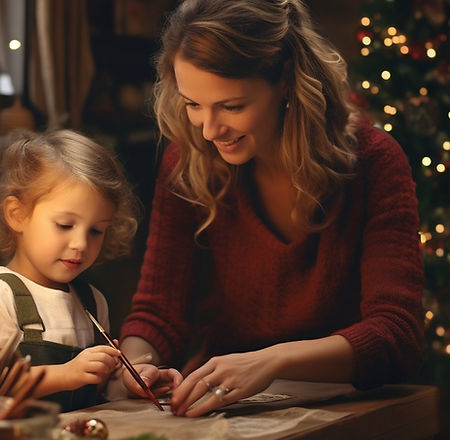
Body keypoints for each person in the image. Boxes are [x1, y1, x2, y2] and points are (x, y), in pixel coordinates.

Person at [119, 0, 425, 417]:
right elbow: (157, 312)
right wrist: (140, 364)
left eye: (231, 106)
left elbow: (397, 335)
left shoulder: (374, 162)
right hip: (231, 413)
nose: (209, 130)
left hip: (352, 412)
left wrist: (271, 361)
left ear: (285, 81)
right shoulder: (187, 162)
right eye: (193, 104)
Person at [0, 129, 180, 411]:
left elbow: (99, 391)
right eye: (65, 225)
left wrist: (130, 382)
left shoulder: (91, 301)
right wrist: (65, 374)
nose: (81, 243)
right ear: (17, 215)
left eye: (96, 231)